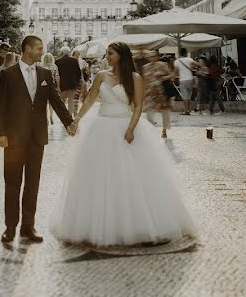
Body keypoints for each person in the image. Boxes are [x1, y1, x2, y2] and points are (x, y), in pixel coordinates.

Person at [50, 42, 197, 246]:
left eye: (110, 53)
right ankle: (99, 223)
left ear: (121, 55)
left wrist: (130, 128)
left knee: (131, 176)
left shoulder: (135, 78)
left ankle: (137, 224)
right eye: (107, 53)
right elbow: (90, 100)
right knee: (99, 177)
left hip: (124, 126)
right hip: (101, 127)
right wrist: (76, 120)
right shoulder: (101, 75)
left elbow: (138, 106)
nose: (107, 57)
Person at [0, 36, 75, 243]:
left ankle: (28, 227)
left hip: (37, 137)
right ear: (27, 49)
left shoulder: (45, 74)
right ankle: (10, 228)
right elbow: (1, 105)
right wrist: (1, 133)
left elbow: (56, 102)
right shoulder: (8, 74)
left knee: (33, 183)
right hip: (13, 138)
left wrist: (69, 123)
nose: (42, 51)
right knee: (12, 182)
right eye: (39, 48)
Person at [142, 49, 175, 138]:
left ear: (157, 57)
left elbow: (171, 75)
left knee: (165, 112)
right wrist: (143, 92)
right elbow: (145, 80)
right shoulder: (145, 67)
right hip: (150, 92)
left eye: (153, 56)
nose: (151, 58)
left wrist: (165, 78)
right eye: (150, 56)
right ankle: (151, 129)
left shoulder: (163, 65)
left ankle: (164, 130)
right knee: (149, 112)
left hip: (162, 92)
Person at [57, 48, 83, 118]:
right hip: (72, 84)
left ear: (62, 52)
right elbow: (78, 72)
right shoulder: (74, 61)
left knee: (62, 101)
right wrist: (77, 82)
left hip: (62, 84)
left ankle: (64, 116)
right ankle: (69, 116)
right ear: (69, 53)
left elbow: (57, 74)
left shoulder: (58, 61)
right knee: (71, 101)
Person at [175, 48, 197, 115]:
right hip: (190, 79)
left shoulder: (177, 61)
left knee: (184, 96)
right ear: (186, 53)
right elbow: (198, 64)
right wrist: (192, 67)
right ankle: (188, 110)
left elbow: (176, 71)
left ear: (179, 53)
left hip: (182, 79)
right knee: (189, 96)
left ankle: (186, 110)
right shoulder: (189, 59)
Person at [40, 52, 60, 125]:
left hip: (42, 86)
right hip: (52, 86)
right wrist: (58, 87)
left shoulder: (41, 66)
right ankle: (51, 116)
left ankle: (46, 118)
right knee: (51, 103)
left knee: (44, 103)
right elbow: (57, 77)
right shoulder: (54, 66)